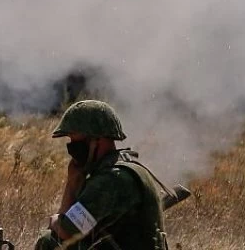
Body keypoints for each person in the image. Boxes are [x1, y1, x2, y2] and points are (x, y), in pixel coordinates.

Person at [35, 100, 171, 250]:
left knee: (49, 242)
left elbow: (67, 231)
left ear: (97, 140)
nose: (72, 146)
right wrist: (73, 181)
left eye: (76, 139)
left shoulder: (112, 179)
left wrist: (55, 220)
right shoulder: (117, 169)